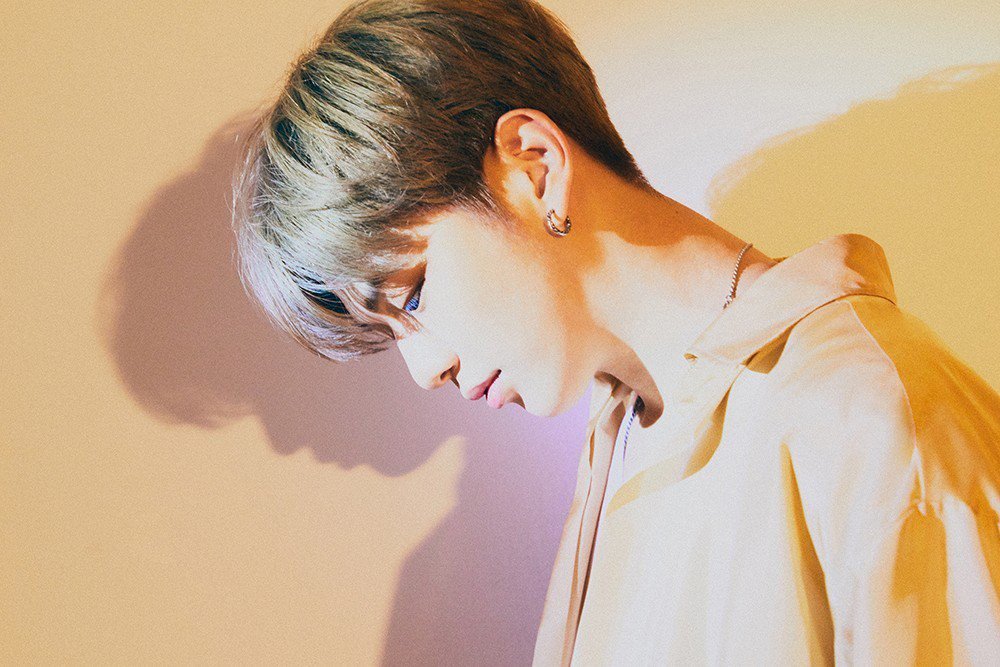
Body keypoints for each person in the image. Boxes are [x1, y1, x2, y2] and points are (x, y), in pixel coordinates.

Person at [230, 0, 1000, 663]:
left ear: (535, 165)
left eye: (416, 292)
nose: (424, 369)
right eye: (389, 329)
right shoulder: (624, 438)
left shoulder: (871, 416)